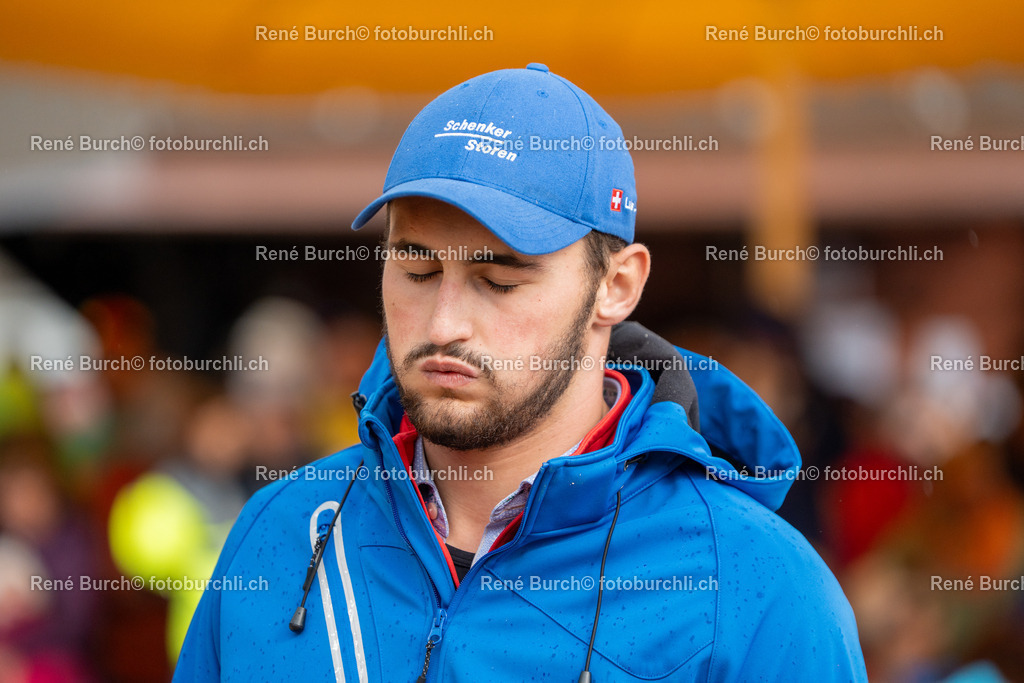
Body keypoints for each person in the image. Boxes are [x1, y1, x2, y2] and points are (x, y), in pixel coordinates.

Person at [174, 63, 867, 682]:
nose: (444, 322)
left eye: (499, 279)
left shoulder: (760, 587)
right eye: (416, 268)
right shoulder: (279, 530)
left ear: (617, 286)